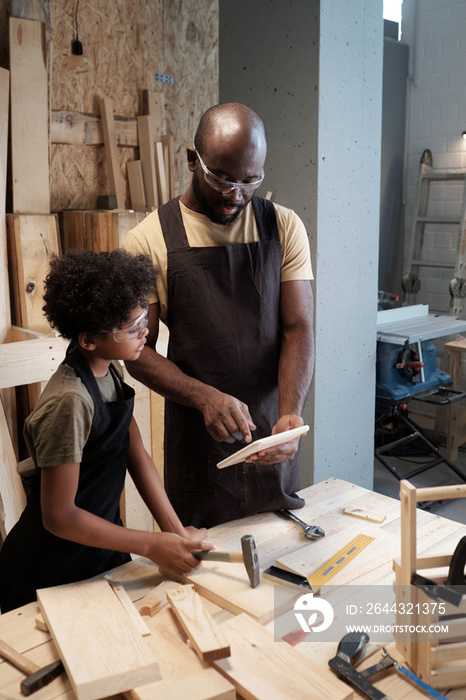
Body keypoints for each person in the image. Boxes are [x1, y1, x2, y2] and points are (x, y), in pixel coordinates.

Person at [123, 102, 314, 528]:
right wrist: (204, 397)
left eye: (251, 181)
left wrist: (290, 412)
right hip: (198, 444)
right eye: (222, 178)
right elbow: (136, 351)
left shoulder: (284, 228)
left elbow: (298, 327)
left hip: (270, 429)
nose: (235, 195)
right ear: (193, 159)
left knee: (280, 547)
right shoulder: (149, 240)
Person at [0, 249, 211, 613]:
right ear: (88, 340)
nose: (144, 331)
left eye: (143, 318)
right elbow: (59, 515)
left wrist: (175, 533)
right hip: (50, 567)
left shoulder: (108, 371)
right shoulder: (70, 402)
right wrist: (149, 545)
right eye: (131, 328)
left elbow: (136, 454)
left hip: (98, 551)